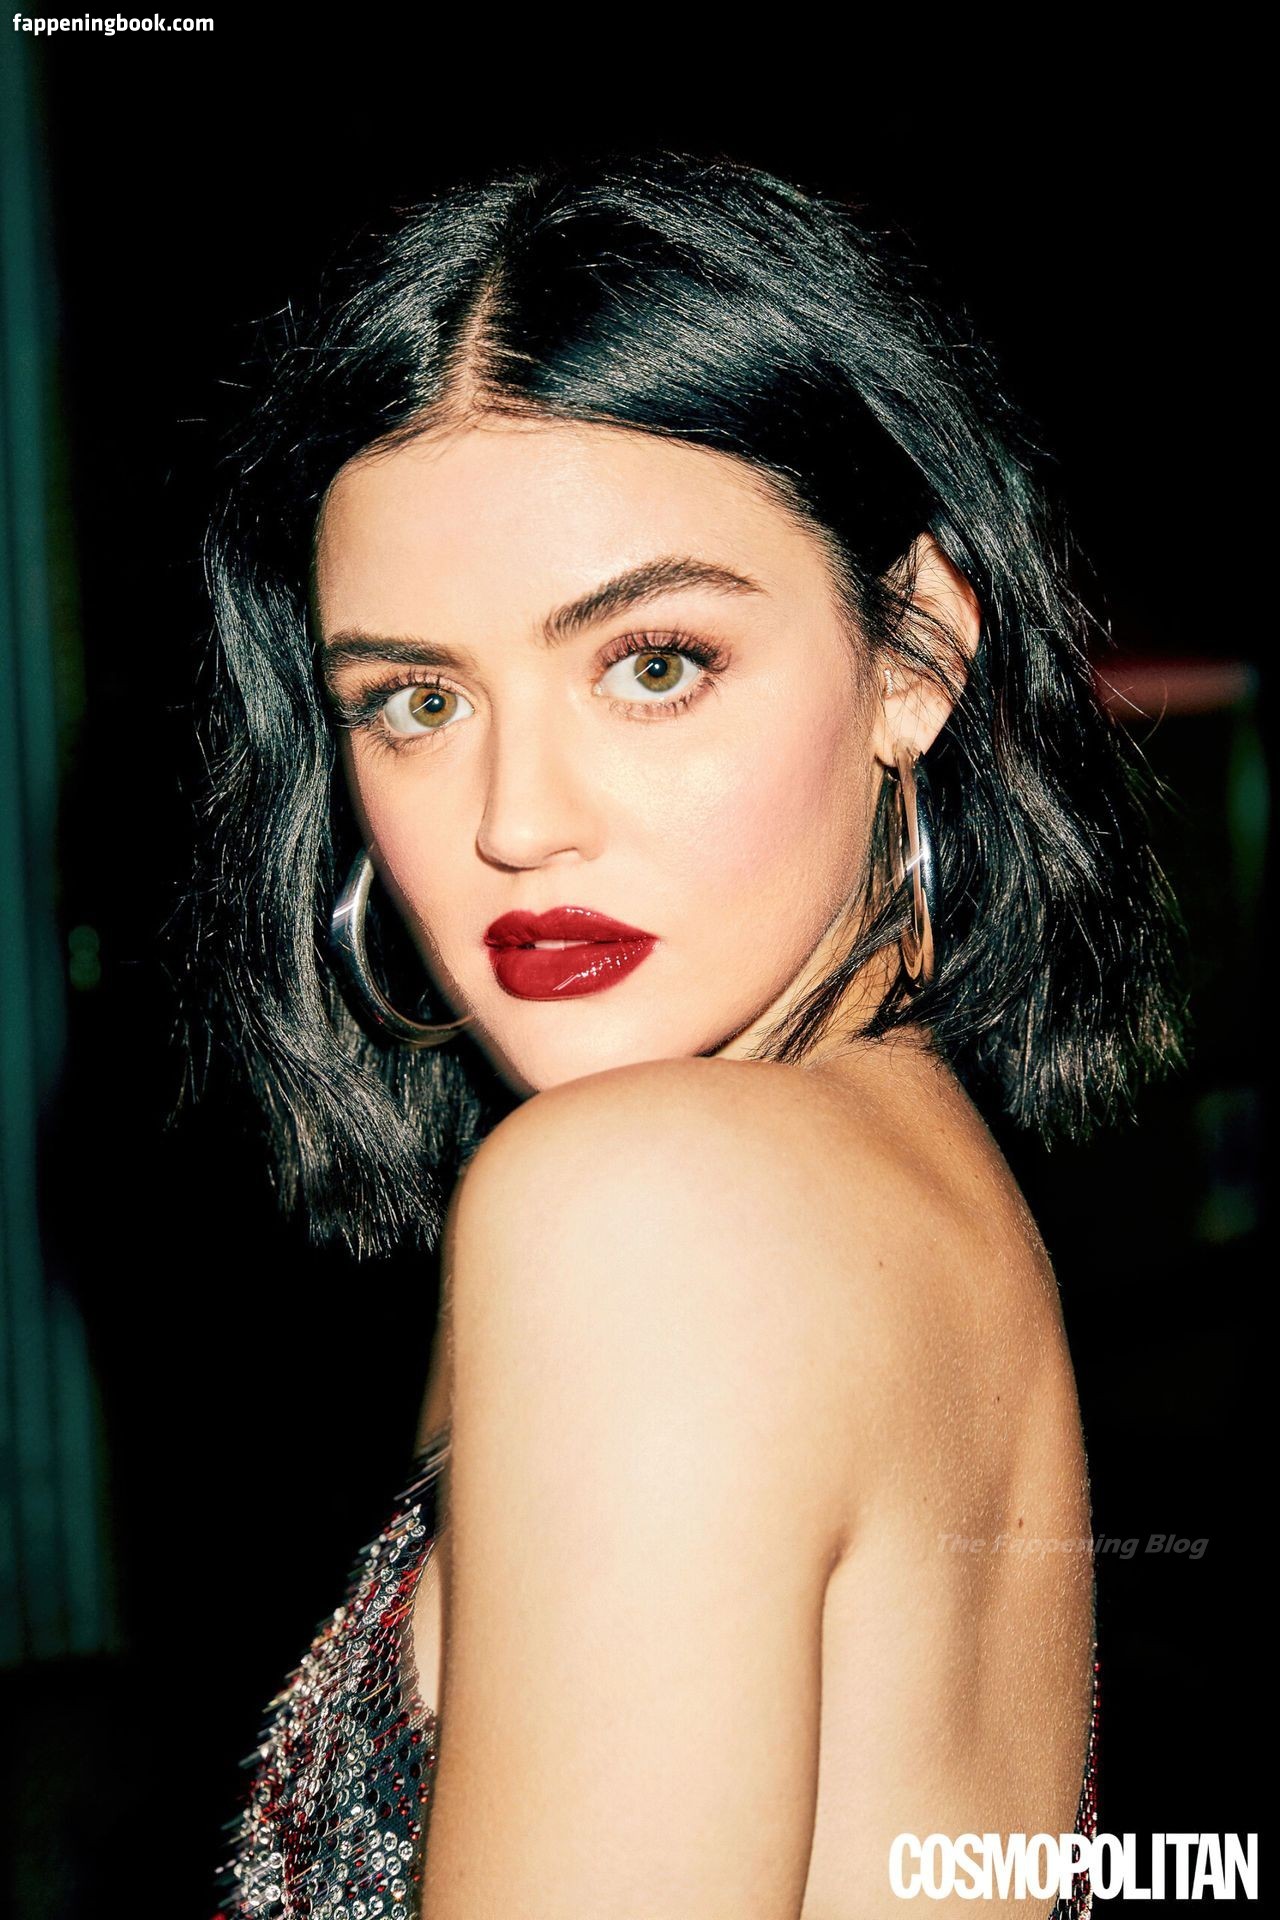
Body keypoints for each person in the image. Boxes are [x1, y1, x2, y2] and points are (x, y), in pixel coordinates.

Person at [191, 149, 1185, 1918]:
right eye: (416, 699)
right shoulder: (896, 1186)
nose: (516, 821)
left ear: (914, 654)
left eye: (652, 662)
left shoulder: (648, 1207)